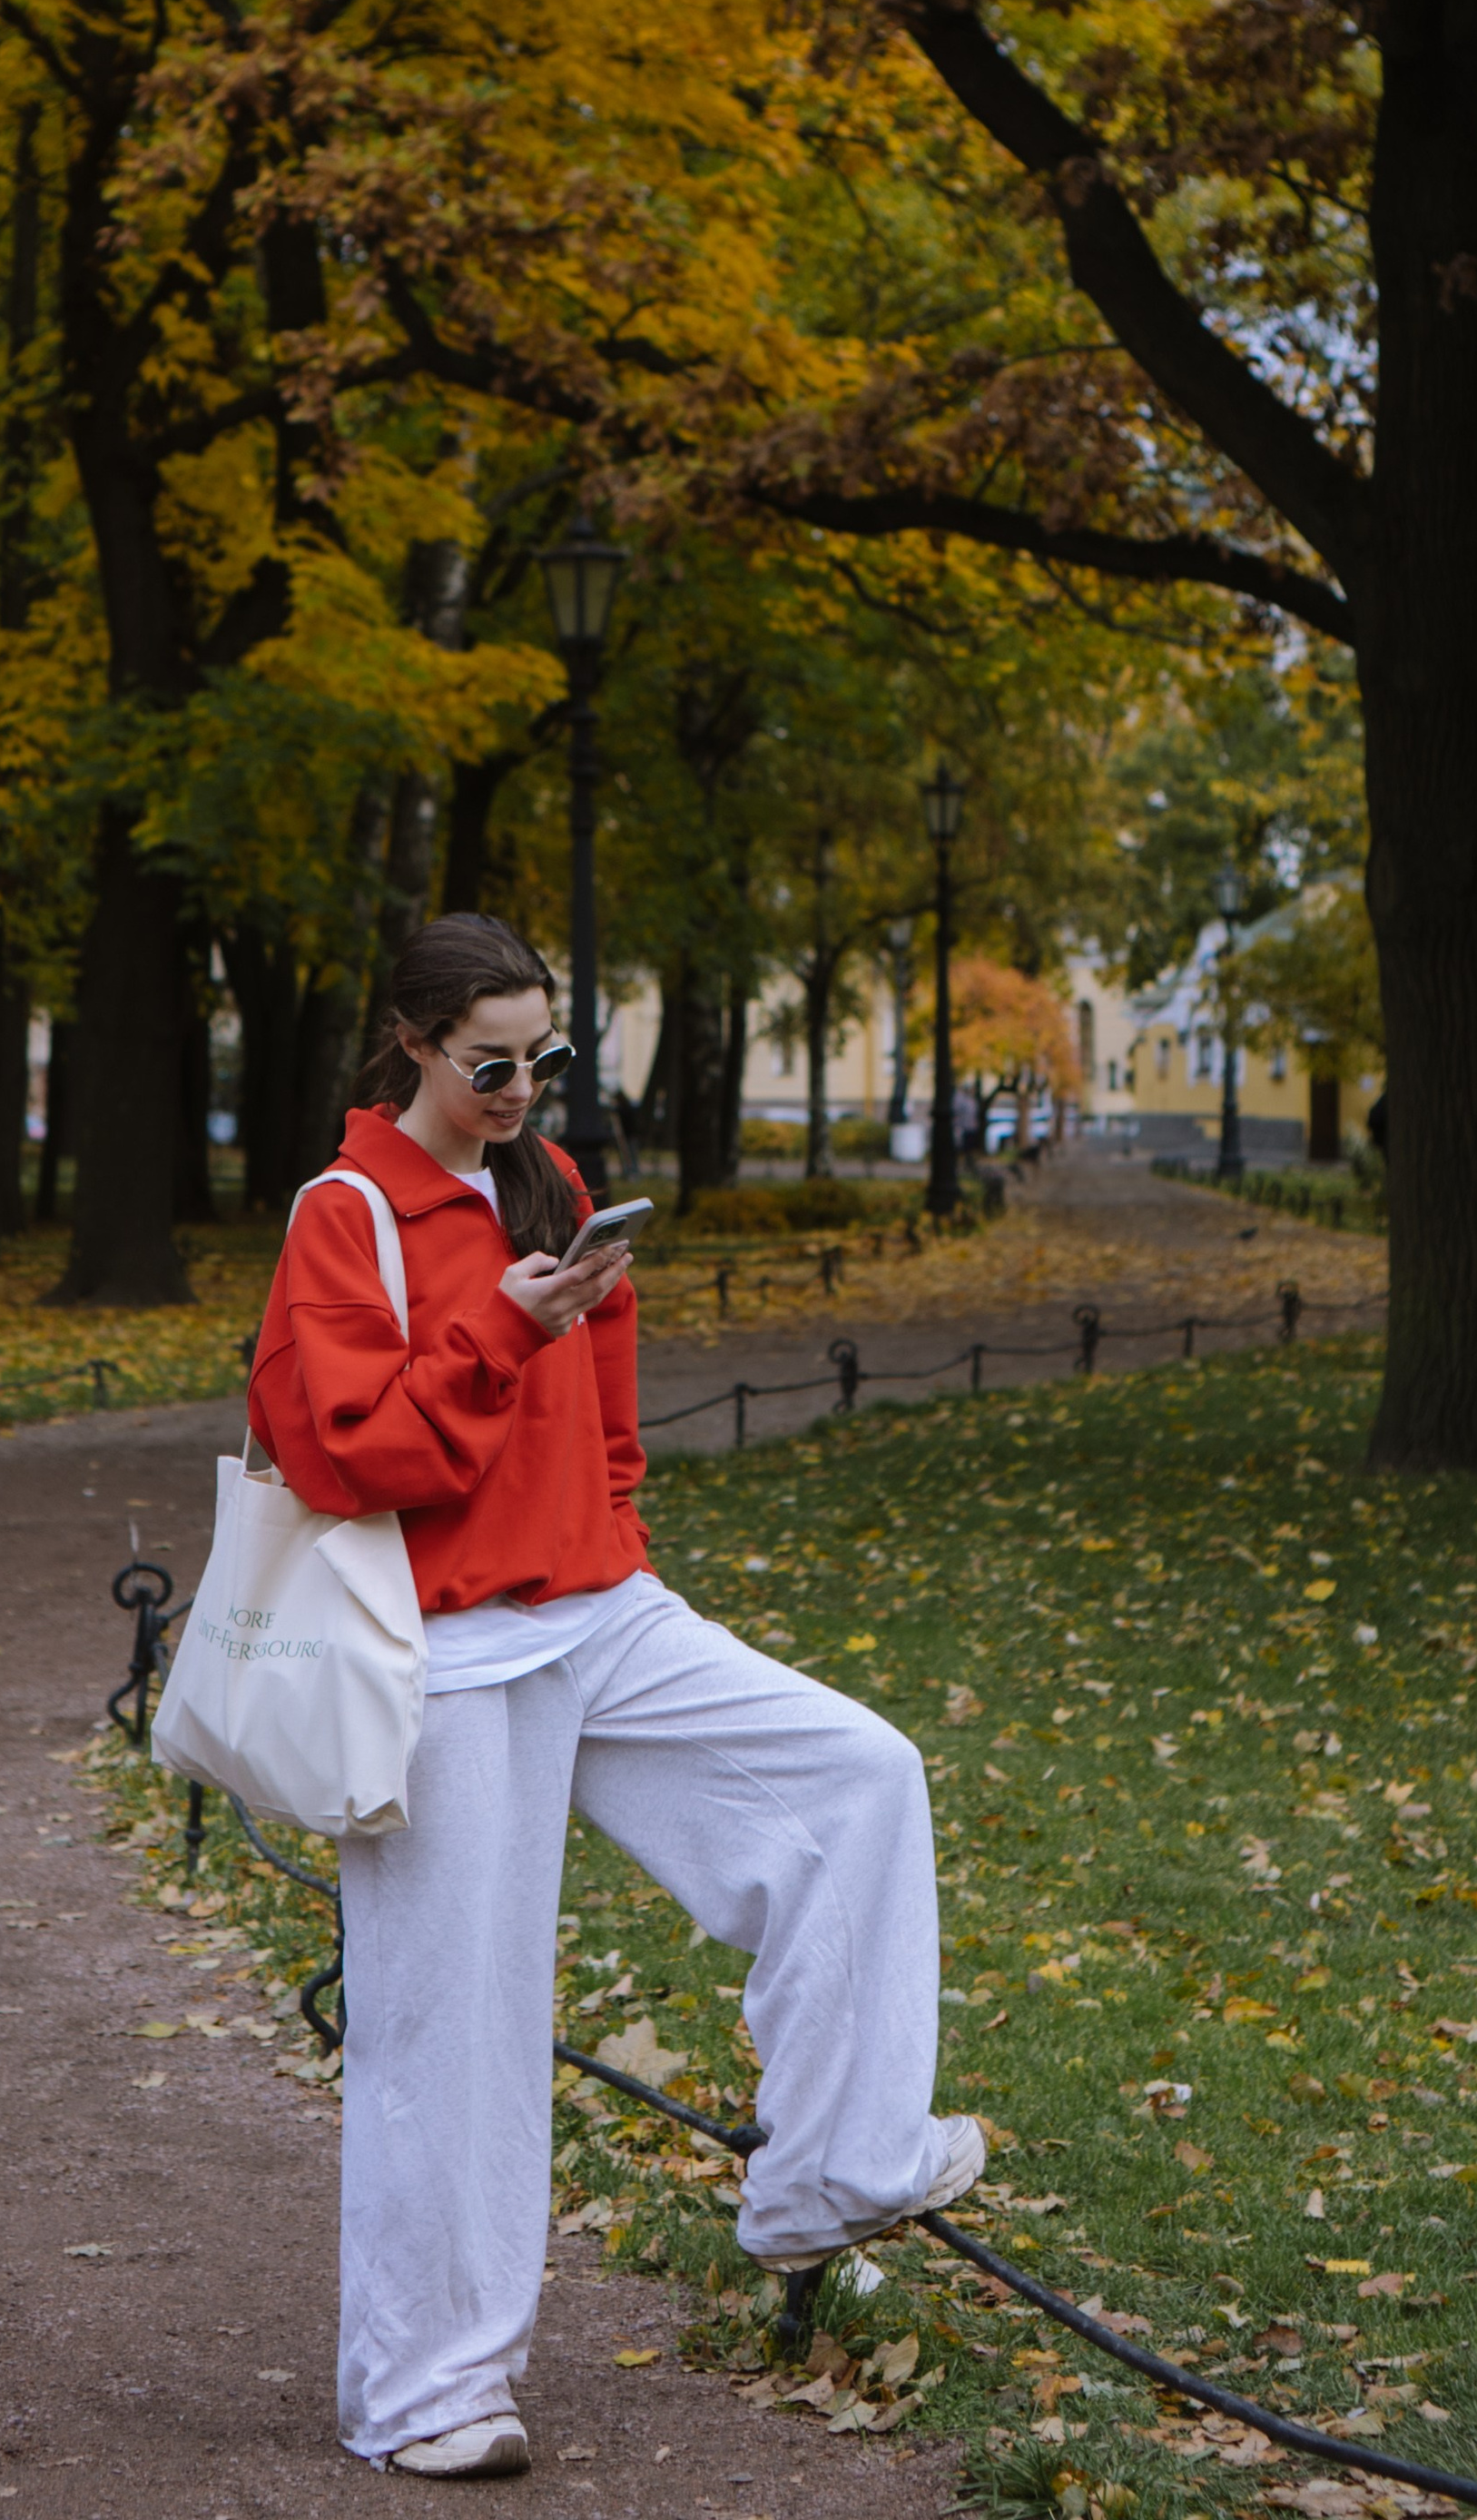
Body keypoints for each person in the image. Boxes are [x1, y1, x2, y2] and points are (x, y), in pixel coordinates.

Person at [246, 911, 985, 2481]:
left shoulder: (555, 1180)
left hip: (598, 1608)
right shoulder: (348, 1210)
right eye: (489, 1061)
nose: (521, 1087)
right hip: (436, 1648)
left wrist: (615, 1524)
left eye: (546, 1055)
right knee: (457, 2020)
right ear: (414, 1044)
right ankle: (430, 2392)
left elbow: (611, 1392)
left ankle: (828, 2173)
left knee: (857, 1776)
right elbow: (345, 1449)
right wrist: (498, 1330)